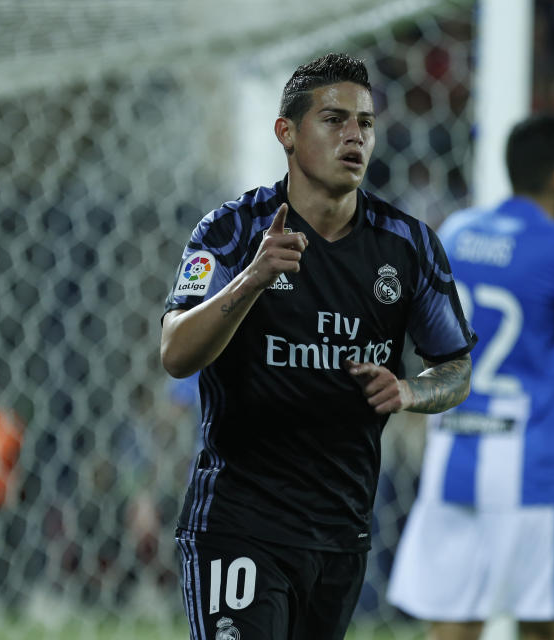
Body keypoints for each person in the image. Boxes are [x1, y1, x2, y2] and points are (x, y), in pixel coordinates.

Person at [160, 52, 476, 640]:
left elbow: (456, 368)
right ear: (287, 132)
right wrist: (251, 280)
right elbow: (176, 351)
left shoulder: (408, 247)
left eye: (365, 123)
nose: (354, 136)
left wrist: (411, 391)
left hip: (340, 534)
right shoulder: (230, 231)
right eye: (334, 120)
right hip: (239, 523)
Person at [387, 114, 554, 640]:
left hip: (455, 456)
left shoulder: (458, 231)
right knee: (545, 629)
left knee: (453, 629)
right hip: (532, 467)